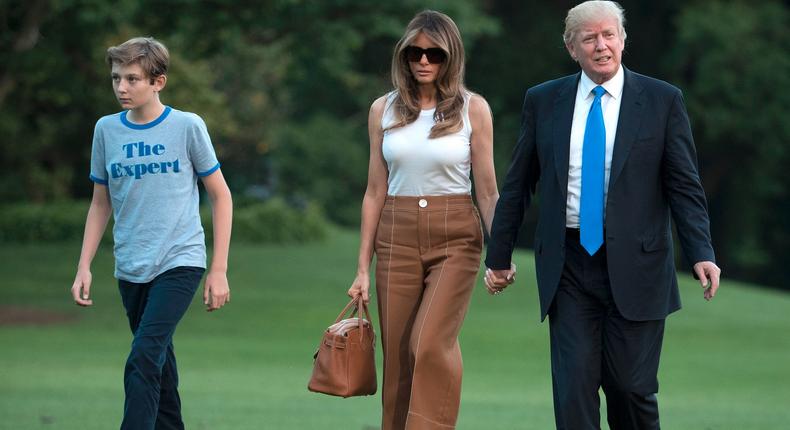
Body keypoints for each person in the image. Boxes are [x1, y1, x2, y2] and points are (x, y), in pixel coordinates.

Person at [484, 1, 721, 429]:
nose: (601, 46)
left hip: (639, 263)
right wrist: (498, 257)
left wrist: (701, 250)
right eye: (589, 38)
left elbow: (684, 185)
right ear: (572, 48)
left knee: (630, 388)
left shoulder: (662, 100)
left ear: (623, 40)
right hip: (570, 264)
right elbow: (519, 184)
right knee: (573, 391)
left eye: (609, 35)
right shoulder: (544, 101)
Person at [69, 37, 233, 430]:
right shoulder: (106, 130)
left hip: (180, 261)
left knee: (144, 355)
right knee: (160, 362)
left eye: (132, 79)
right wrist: (84, 266)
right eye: (116, 78)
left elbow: (221, 196)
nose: (121, 88)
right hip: (130, 266)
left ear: (158, 82)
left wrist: (219, 269)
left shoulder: (187, 126)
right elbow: (100, 203)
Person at [346, 10, 498, 430]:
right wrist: (362, 267)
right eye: (415, 52)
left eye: (435, 53)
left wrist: (500, 254)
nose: (424, 60)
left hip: (456, 238)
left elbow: (486, 190)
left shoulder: (475, 109)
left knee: (428, 343)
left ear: (451, 58)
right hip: (395, 234)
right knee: (397, 355)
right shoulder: (384, 109)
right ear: (404, 56)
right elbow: (375, 190)